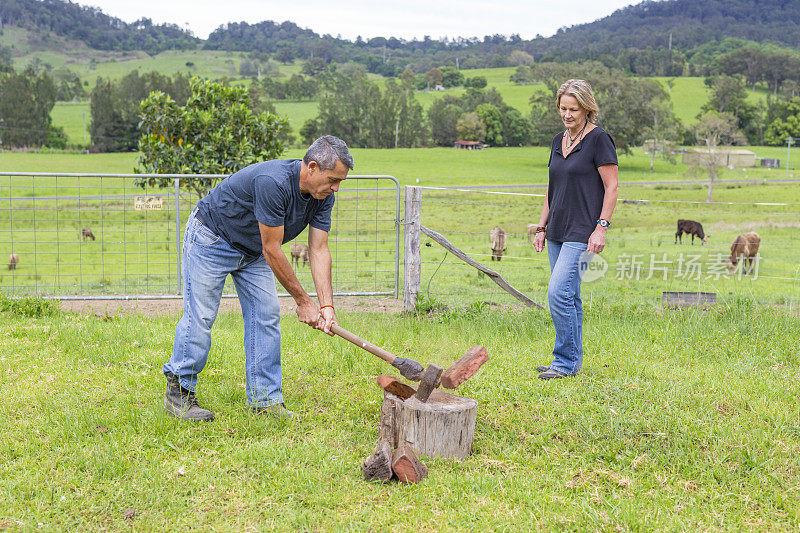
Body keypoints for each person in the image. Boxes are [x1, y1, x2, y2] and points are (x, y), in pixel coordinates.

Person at [162, 135, 354, 420]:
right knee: (200, 316)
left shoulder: (322, 195)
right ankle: (179, 394)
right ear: (312, 167)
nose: (336, 187)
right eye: (333, 179)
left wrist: (326, 307)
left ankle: (265, 400)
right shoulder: (273, 182)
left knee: (265, 313)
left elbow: (319, 248)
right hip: (211, 238)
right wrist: (303, 301)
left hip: (251, 249)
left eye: (340, 181)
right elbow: (272, 249)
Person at [532, 79, 619, 380]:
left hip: (583, 230)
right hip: (557, 228)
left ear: (587, 108)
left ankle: (565, 362)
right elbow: (551, 188)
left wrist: (601, 228)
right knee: (570, 294)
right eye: (563, 109)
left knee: (558, 293)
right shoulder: (558, 140)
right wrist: (541, 226)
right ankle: (569, 359)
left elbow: (612, 186)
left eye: (574, 109)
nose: (568, 115)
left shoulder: (599, 139)